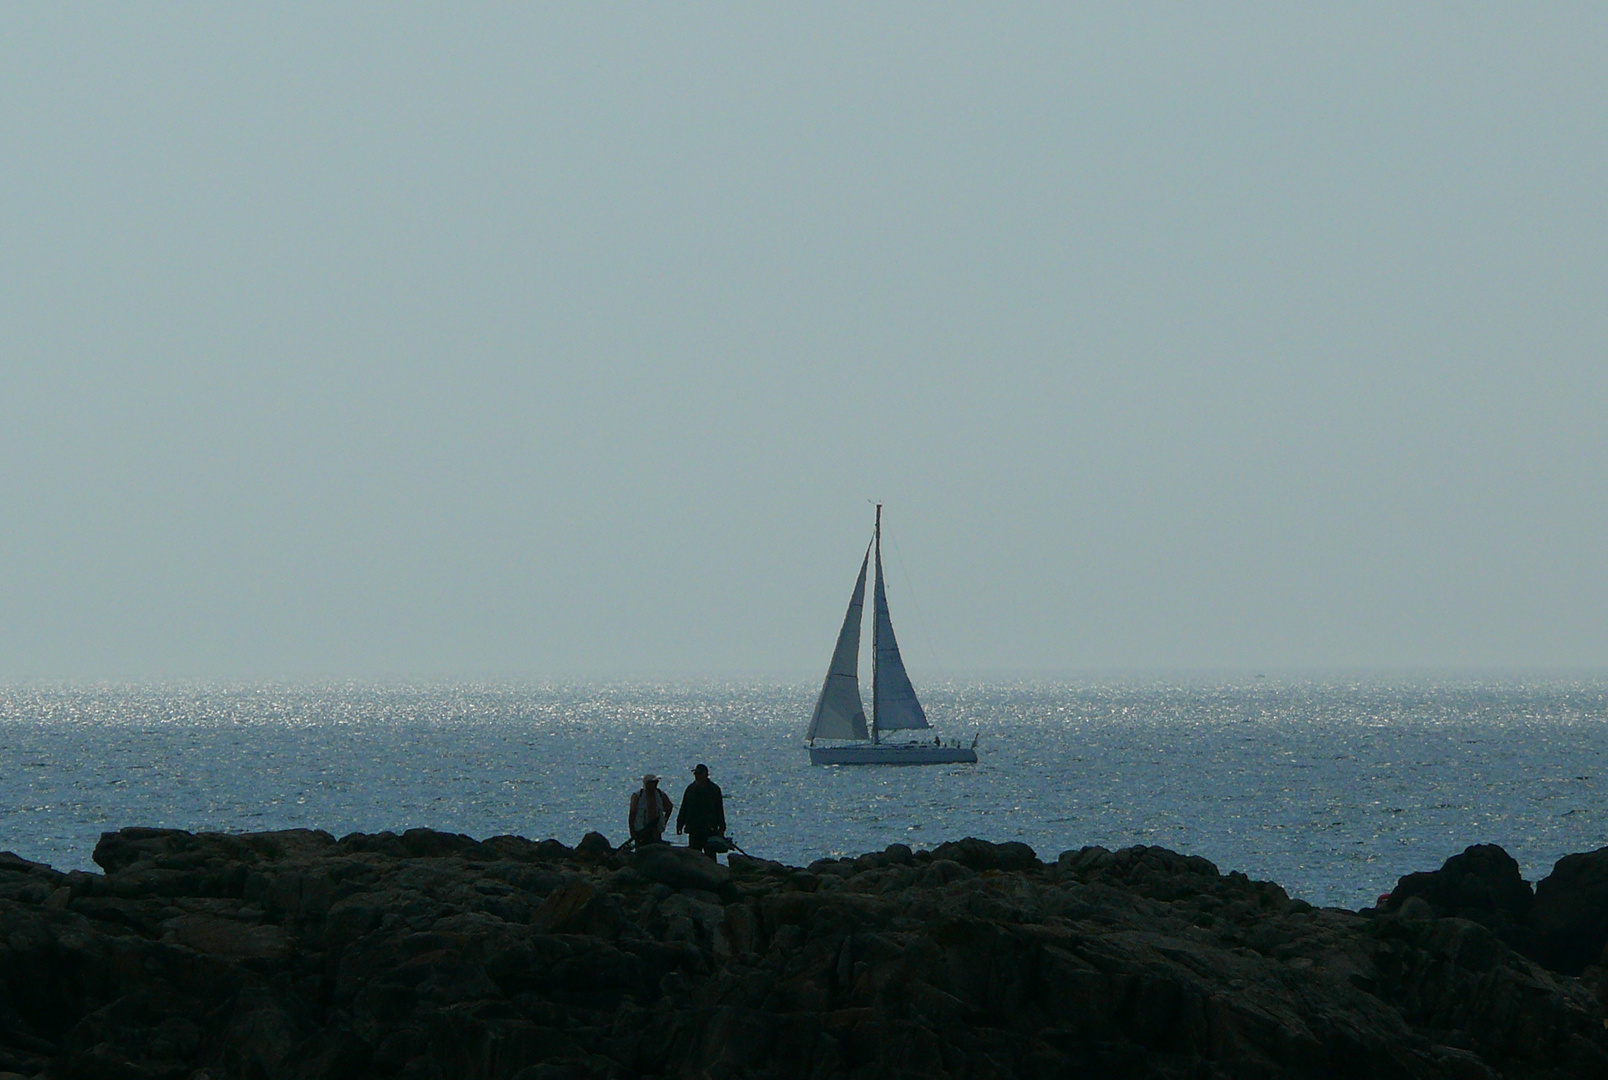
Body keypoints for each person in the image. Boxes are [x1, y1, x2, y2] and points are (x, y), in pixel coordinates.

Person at [675, 763, 726, 859]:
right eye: (695, 774)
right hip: (694, 829)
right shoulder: (690, 789)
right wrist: (679, 824)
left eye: (699, 774)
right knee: (694, 857)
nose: (697, 776)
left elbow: (719, 810)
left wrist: (722, 828)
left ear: (706, 775)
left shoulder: (714, 790)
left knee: (710, 857)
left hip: (710, 830)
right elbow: (684, 808)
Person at [629, 774, 672, 846]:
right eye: (653, 783)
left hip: (655, 831)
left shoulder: (660, 794)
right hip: (641, 831)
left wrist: (664, 822)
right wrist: (632, 831)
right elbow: (632, 814)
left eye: (656, 783)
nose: (655, 785)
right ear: (647, 784)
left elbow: (669, 807)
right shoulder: (637, 796)